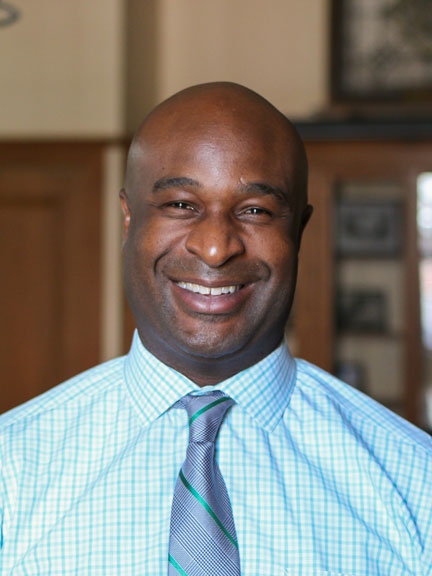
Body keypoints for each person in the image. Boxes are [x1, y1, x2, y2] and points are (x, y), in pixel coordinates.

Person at [0, 82, 431, 575]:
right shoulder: (11, 470)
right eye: (181, 205)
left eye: (255, 211)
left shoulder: (414, 482)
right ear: (128, 220)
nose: (215, 247)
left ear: (299, 231)